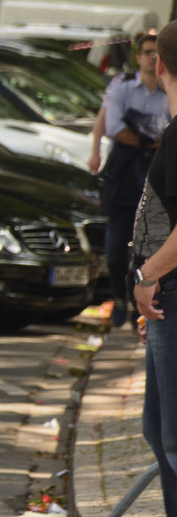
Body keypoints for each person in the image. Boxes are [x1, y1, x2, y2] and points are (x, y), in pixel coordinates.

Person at [121, 19, 177, 517]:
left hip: (169, 299)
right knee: (157, 433)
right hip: (165, 306)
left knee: (174, 438)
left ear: (159, 65)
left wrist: (145, 277)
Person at [101, 33, 170, 327]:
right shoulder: (123, 86)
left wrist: (153, 143)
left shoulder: (169, 89)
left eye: (156, 53)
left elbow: (168, 132)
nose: (151, 57)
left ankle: (139, 307)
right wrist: (149, 142)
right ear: (138, 56)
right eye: (146, 52)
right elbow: (114, 127)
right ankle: (120, 298)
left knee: (150, 245)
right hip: (125, 175)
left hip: (155, 172)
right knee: (115, 248)